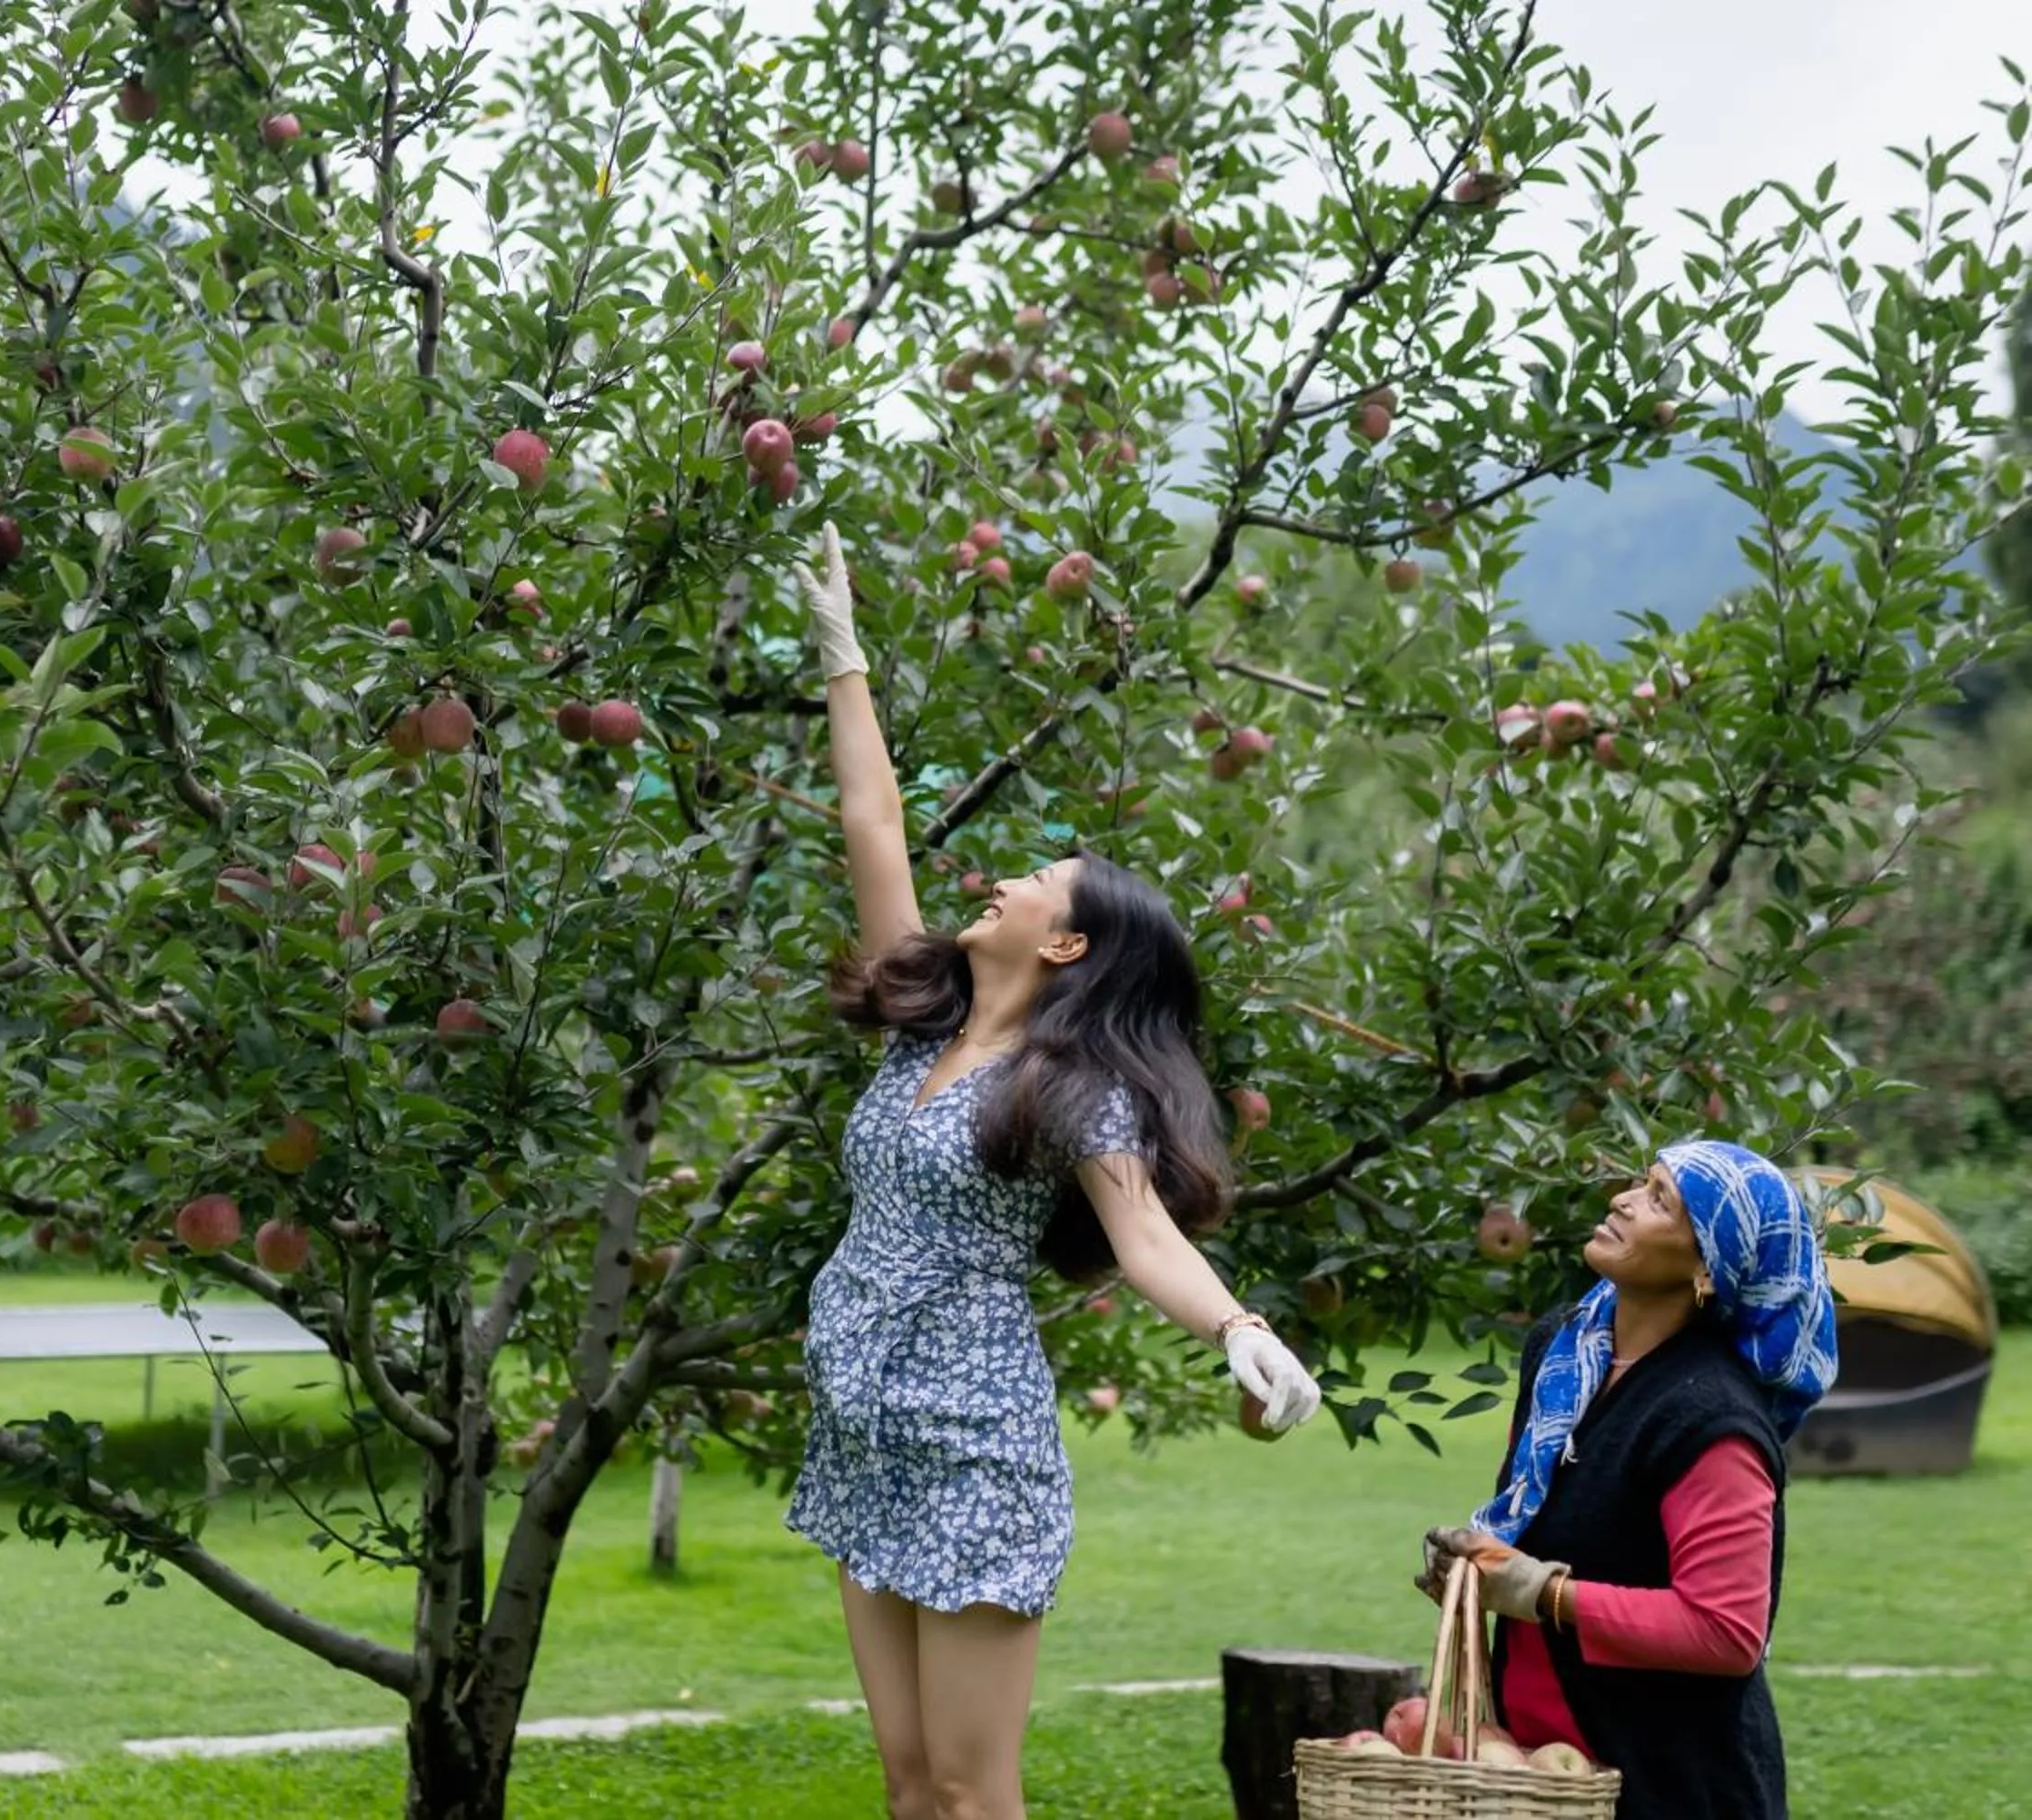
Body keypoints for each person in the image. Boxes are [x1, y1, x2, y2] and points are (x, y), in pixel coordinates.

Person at [780, 525, 1323, 1820]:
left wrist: (1239, 1326)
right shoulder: (926, 1022)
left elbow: (1142, 1239)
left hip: (971, 1444)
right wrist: (841, 653)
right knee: (912, 1792)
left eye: (1036, 881)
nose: (1005, 879)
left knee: (974, 1796)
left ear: (1070, 941)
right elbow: (873, 816)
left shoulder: (1069, 1090)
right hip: (865, 1428)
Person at [1419, 1140, 1838, 1819]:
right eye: (1643, 1183)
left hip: (1663, 1780)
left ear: (1708, 1265)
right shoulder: (1563, 1349)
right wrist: (1480, 1563)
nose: (1622, 1199)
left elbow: (1725, 1632)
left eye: (1659, 1201)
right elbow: (1548, 1513)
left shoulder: (1710, 1418)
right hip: (1531, 1767)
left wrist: (1541, 1592)